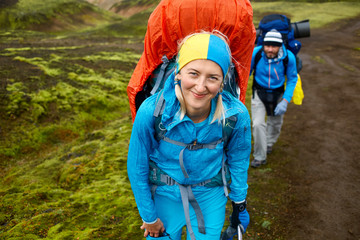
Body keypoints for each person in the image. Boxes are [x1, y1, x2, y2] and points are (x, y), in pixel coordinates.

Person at [127, 32, 251, 240]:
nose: (201, 87)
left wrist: (239, 204)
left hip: (210, 197)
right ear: (178, 72)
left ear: (222, 82)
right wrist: (149, 217)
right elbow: (136, 165)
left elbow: (238, 160)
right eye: (193, 73)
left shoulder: (236, 115)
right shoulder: (151, 111)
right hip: (164, 195)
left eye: (213, 77)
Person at [249, 29, 298, 168]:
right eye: (267, 46)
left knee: (275, 123)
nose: (270, 49)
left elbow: (292, 79)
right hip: (259, 92)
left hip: (278, 94)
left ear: (280, 46)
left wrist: (285, 100)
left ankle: (269, 142)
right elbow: (246, 72)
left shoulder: (289, 57)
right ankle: (259, 156)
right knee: (258, 124)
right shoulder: (256, 53)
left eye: (274, 46)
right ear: (263, 45)